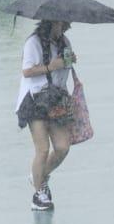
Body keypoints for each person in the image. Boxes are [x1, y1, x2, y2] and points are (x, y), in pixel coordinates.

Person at [18, 19, 78, 212]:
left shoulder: (65, 42)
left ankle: (38, 176)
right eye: (63, 23)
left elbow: (63, 72)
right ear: (51, 22)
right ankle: (39, 195)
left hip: (56, 100)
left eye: (67, 24)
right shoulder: (33, 42)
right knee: (42, 149)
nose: (66, 26)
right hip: (34, 100)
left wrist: (69, 61)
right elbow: (27, 71)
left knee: (62, 147)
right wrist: (50, 67)